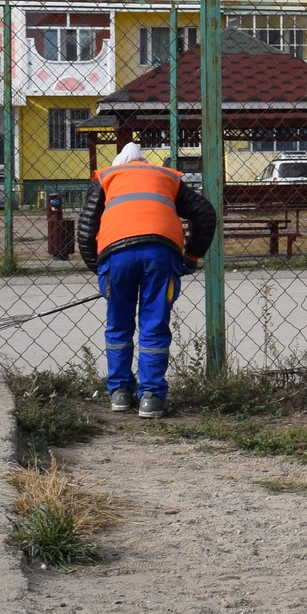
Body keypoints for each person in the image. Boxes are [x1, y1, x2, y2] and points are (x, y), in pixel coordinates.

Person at [76, 141, 218, 419]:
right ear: (145, 164)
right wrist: (190, 257)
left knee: (118, 324)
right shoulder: (166, 177)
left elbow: (87, 225)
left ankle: (119, 392)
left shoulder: (107, 177)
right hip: (161, 252)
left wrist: (98, 267)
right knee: (154, 325)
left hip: (116, 255)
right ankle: (151, 397)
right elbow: (205, 213)